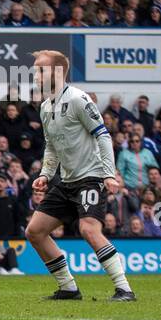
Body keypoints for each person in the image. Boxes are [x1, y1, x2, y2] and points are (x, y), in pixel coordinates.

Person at [24, 50, 134, 301]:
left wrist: (108, 174)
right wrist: (45, 174)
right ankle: (68, 288)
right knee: (35, 231)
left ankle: (124, 289)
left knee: (88, 229)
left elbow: (103, 135)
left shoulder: (78, 99)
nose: (36, 75)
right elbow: (51, 145)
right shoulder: (45, 106)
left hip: (91, 177)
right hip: (66, 180)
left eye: (41, 70)